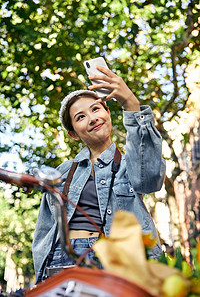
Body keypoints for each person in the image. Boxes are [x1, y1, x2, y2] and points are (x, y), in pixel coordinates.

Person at [32, 65, 166, 283]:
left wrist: (131, 105)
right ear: (73, 134)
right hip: (62, 259)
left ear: (108, 113)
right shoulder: (62, 172)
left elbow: (150, 180)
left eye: (96, 109)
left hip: (117, 257)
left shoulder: (131, 162)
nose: (92, 118)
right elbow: (45, 229)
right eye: (81, 117)